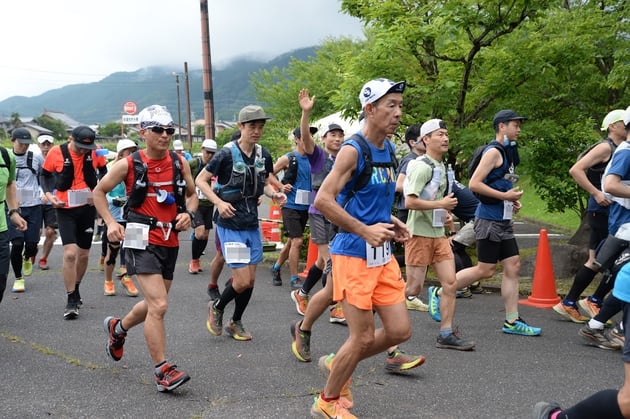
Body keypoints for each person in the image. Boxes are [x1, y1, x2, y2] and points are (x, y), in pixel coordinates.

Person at [309, 78, 413, 418]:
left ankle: (338, 362)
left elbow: (373, 200)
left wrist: (391, 222)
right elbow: (324, 200)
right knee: (363, 337)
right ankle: (326, 401)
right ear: (370, 109)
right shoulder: (354, 150)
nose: (398, 113)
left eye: (399, 105)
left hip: (381, 256)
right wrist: (364, 229)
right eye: (390, 106)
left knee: (400, 331)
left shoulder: (389, 149)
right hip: (353, 254)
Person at [94, 104, 198, 393]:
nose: (165, 135)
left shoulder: (180, 162)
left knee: (155, 303)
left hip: (170, 239)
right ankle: (162, 370)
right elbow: (98, 192)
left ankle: (118, 328)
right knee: (160, 305)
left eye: (169, 130)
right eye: (158, 130)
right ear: (143, 132)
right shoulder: (129, 164)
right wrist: (111, 223)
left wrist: (190, 214)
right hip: (140, 237)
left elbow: (191, 196)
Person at [447, 110, 542, 337]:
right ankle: (443, 290)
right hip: (488, 219)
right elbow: (474, 184)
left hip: (503, 218)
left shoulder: (508, 152)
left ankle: (512, 321)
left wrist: (511, 200)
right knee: (486, 270)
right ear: (502, 126)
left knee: (513, 266)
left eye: (520, 125)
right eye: (515, 125)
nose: (519, 129)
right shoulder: (493, 152)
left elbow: (500, 182)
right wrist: (504, 198)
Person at [199, 105, 286, 341]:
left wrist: (273, 194)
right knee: (242, 280)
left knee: (251, 281)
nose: (257, 131)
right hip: (230, 225)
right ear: (240, 126)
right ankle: (217, 307)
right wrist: (218, 202)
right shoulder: (225, 154)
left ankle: (235, 321)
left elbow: (264, 182)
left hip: (251, 223)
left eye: (260, 127)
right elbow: (201, 180)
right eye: (252, 126)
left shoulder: (263, 154)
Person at [403, 119, 475, 350]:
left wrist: (443, 213)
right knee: (412, 289)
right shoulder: (421, 165)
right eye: (440, 134)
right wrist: (440, 204)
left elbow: (436, 200)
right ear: (426, 139)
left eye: (446, 134)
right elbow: (409, 201)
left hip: (438, 234)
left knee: (451, 283)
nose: (445, 138)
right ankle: (369, 310)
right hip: (418, 235)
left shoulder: (442, 166)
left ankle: (445, 333)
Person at [553, 109, 627, 323]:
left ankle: (571, 302)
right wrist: (596, 193)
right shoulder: (606, 147)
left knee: (597, 259)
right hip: (602, 209)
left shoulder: (619, 147)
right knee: (614, 258)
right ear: (612, 126)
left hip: (609, 209)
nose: (626, 125)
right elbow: (576, 169)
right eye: (623, 122)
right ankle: (592, 300)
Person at [289, 88, 347, 323]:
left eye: (340, 135)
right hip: (319, 212)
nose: (337, 138)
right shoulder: (319, 156)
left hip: (338, 214)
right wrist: (306, 114)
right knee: (332, 260)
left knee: (323, 260)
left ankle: (301, 292)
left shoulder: (346, 156)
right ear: (323, 139)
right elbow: (305, 138)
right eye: (332, 135)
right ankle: (335, 307)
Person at [40, 125, 108, 319]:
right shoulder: (56, 152)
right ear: (71, 139)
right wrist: (48, 194)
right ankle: (71, 298)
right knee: (70, 253)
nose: (83, 150)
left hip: (87, 207)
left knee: (84, 255)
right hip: (64, 208)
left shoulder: (95, 153)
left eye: (87, 147)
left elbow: (104, 173)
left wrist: (98, 192)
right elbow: (44, 175)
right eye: (79, 146)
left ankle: (76, 287)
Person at [270, 125, 315, 289]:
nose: (308, 140)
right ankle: (294, 278)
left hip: (306, 205)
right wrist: (281, 187)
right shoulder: (288, 158)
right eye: (304, 136)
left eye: (310, 137)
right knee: (297, 241)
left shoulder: (313, 159)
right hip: (290, 205)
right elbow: (268, 174)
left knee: (291, 242)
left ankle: (275, 268)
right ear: (296, 139)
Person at [102, 139, 139, 297]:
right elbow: (100, 192)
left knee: (134, 249)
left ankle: (128, 278)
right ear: (120, 153)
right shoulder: (110, 168)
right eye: (129, 151)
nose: (132, 154)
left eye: (134, 151)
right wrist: (113, 200)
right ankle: (108, 281)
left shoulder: (140, 168)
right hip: (115, 215)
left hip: (135, 214)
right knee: (113, 249)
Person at [8, 128, 43, 293]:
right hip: (14, 208)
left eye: (27, 144)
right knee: (16, 243)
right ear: (12, 141)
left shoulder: (36, 158)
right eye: (21, 144)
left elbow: (46, 176)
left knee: (31, 244)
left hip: (34, 206)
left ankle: (27, 257)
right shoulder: (6, 157)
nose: (24, 147)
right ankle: (18, 278)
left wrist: (46, 193)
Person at [0, 133, 28, 303]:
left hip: (1, 228)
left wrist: (14, 212)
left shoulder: (6, 156)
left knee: (1, 281)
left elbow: (10, 184)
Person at [188, 138, 217, 274]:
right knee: (199, 231)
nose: (210, 155)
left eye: (212, 153)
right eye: (207, 152)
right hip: (195, 203)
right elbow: (181, 173)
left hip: (209, 203)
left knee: (205, 234)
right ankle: (193, 261)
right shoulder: (194, 163)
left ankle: (197, 259)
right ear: (202, 150)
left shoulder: (216, 165)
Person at [36, 134, 57, 270]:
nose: (46, 147)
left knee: (50, 232)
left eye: (48, 144)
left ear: (52, 145)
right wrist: (41, 193)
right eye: (43, 144)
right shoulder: (34, 160)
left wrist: (50, 196)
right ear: (39, 146)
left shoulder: (58, 160)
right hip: (36, 200)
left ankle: (43, 258)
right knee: (35, 232)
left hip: (53, 201)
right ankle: (32, 252)